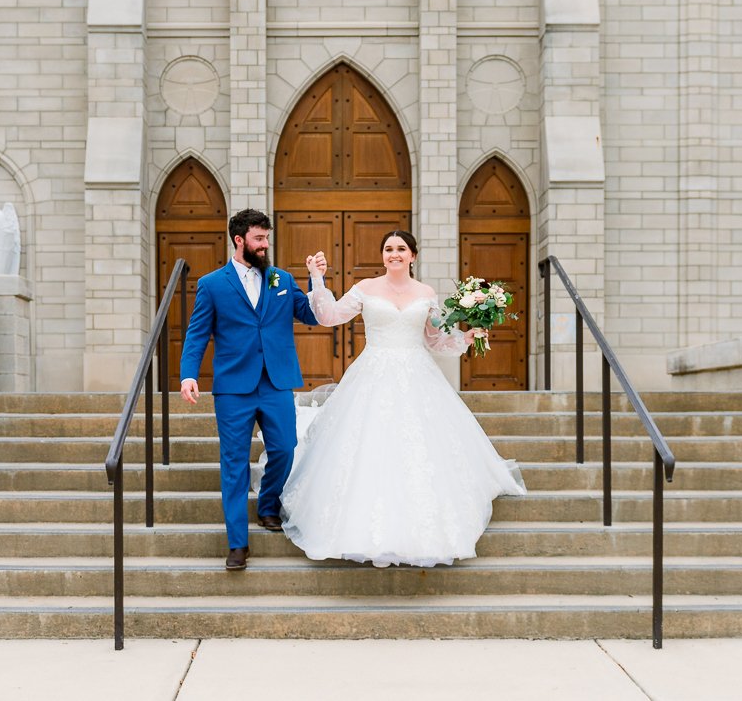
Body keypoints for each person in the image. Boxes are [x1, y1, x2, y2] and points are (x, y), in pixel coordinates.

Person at [278, 229, 526, 567]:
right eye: (388, 249)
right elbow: (329, 317)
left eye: (400, 249)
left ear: (412, 255)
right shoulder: (365, 288)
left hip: (418, 375)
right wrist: (318, 279)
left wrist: (468, 336)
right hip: (372, 373)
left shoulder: (426, 293)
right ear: (382, 255)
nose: (393, 254)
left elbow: (437, 341)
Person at [178, 209, 321, 571]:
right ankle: (237, 543)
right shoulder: (212, 284)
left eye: (267, 238)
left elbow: (311, 315)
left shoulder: (282, 279)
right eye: (259, 239)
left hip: (275, 382)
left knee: (285, 448)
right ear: (240, 240)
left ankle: (268, 505)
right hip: (233, 388)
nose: (265, 245)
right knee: (234, 465)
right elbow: (196, 333)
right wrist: (188, 375)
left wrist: (316, 279)